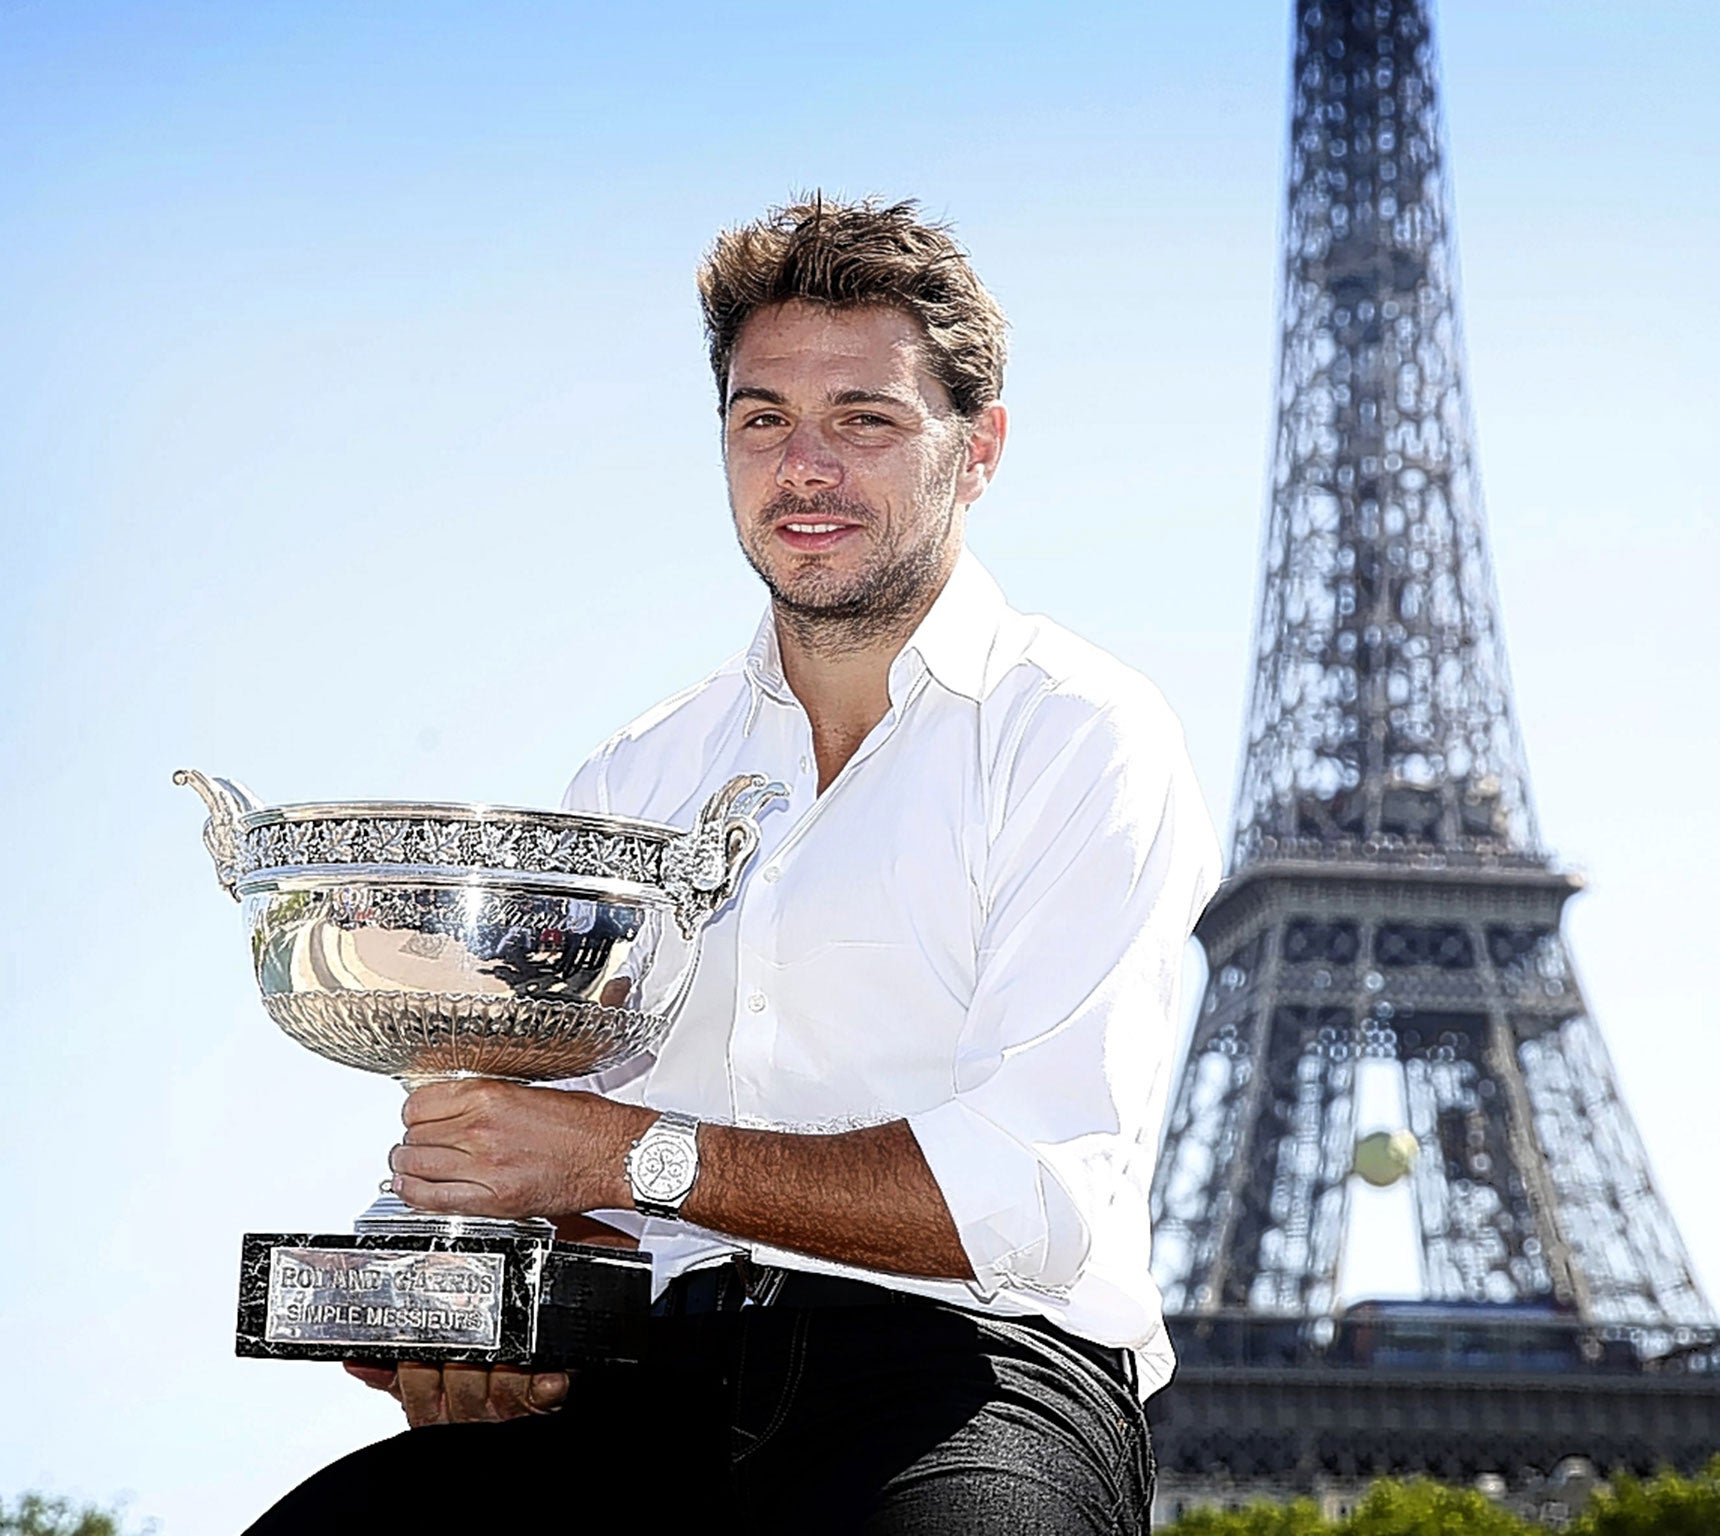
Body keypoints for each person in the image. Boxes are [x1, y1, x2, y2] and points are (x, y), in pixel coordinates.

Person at [247, 195, 1219, 1535]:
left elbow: (1034, 1196)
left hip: (969, 1381)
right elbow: (545, 1147)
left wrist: (627, 1157)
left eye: (865, 420)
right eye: (764, 418)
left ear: (978, 451)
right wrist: (471, 1302)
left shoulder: (1076, 733)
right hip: (652, 1377)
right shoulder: (633, 781)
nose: (804, 467)